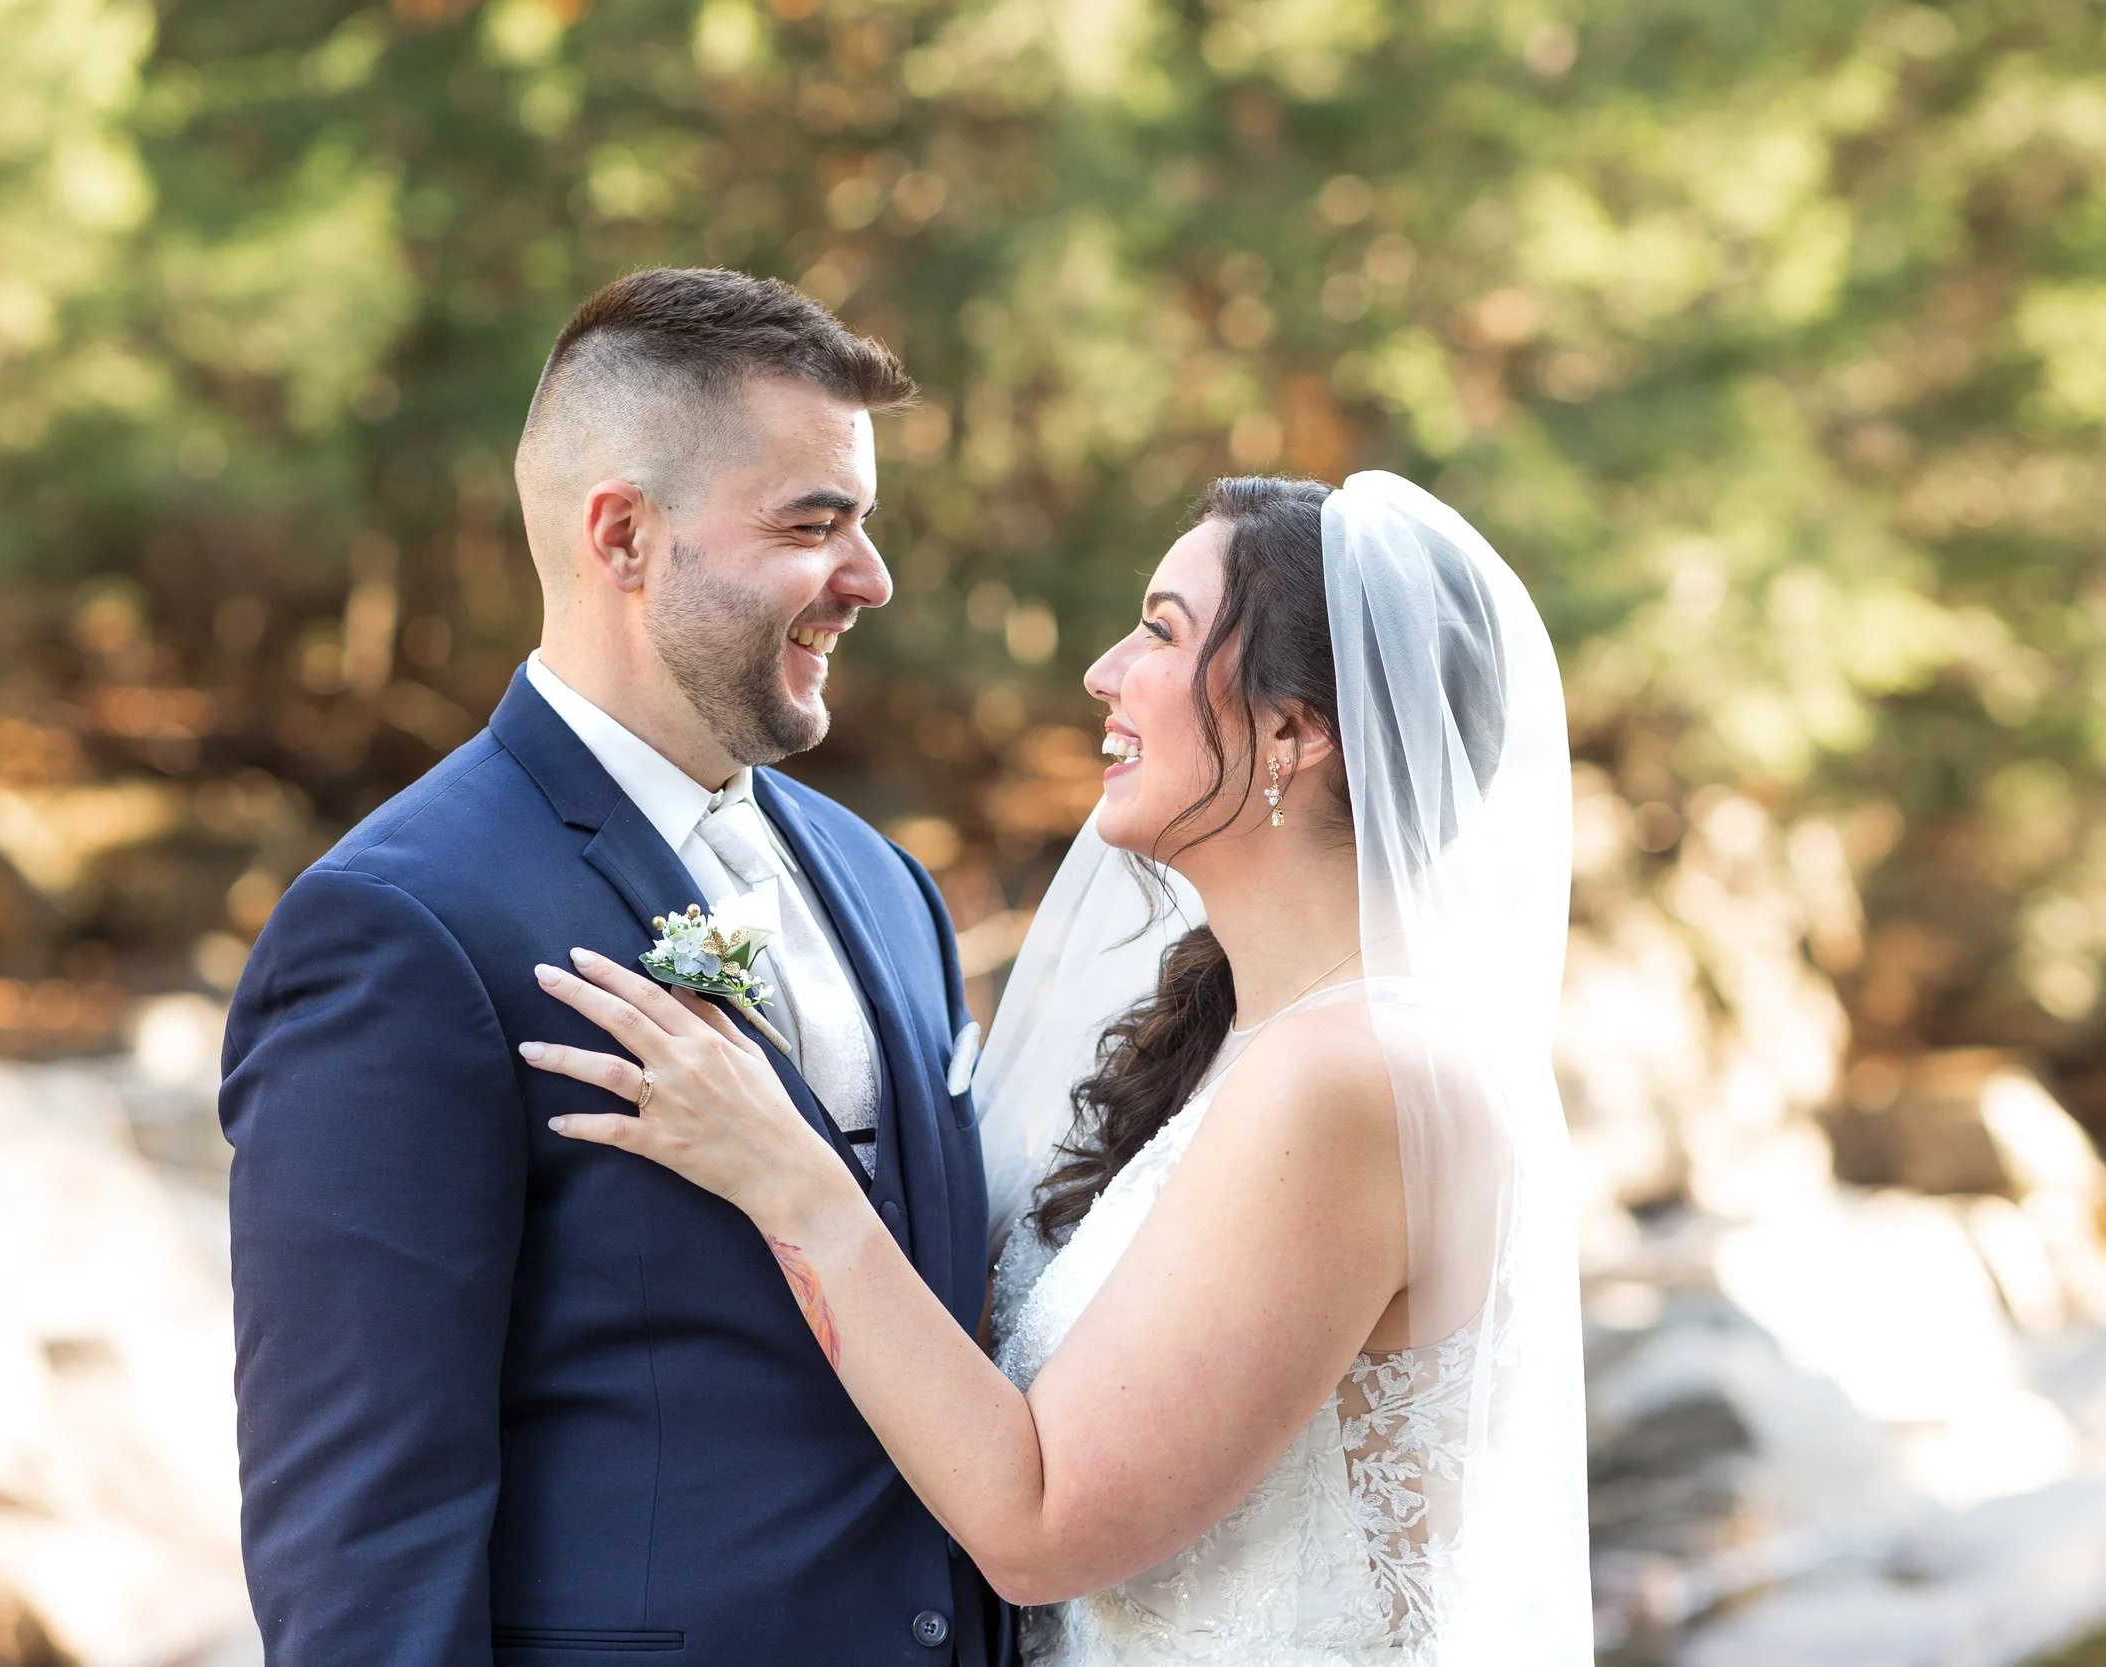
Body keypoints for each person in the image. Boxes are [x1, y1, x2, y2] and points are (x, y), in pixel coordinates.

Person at [522, 471, 1594, 1664]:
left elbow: (1039, 1526)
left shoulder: (1354, 1073)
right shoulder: (1240, 1039)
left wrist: (784, 1171)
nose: (1103, 668)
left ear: (1295, 731)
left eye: (1161, 629)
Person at [220, 268, 1006, 1665]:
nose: (869, 579)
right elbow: (363, 1523)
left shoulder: (888, 888)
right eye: (813, 523)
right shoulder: (399, 924)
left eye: (864, 525)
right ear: (625, 534)